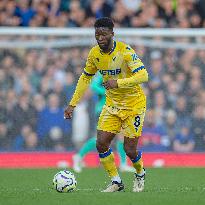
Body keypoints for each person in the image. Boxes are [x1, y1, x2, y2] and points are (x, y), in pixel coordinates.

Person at [64, 17, 148, 192]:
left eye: (103, 34)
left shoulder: (125, 51)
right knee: (101, 143)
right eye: (97, 34)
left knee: (129, 149)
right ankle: (116, 181)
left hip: (134, 105)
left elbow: (143, 76)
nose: (99, 37)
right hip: (112, 105)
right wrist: (73, 104)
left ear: (112, 33)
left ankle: (140, 173)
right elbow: (85, 78)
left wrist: (118, 83)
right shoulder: (94, 54)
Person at [72, 73, 135, 173]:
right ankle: (78, 156)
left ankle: (123, 164)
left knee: (121, 135)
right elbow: (93, 86)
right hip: (103, 109)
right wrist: (106, 92)